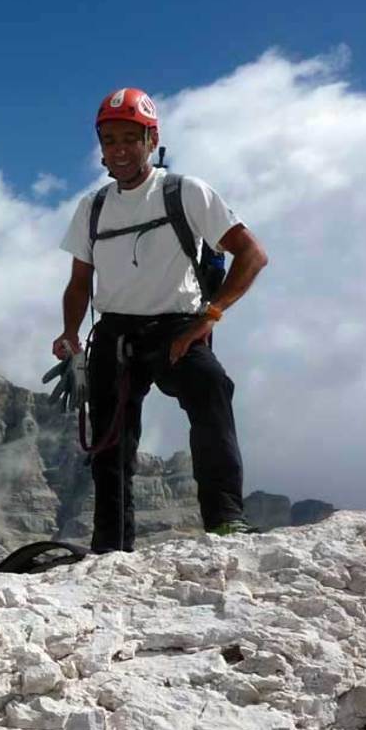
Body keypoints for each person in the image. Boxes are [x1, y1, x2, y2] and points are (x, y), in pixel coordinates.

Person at [54, 88, 269, 553]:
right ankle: (111, 547)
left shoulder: (186, 193)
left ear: (152, 140)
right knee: (111, 447)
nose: (120, 149)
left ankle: (226, 521)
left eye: (131, 138)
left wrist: (211, 315)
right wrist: (70, 336)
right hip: (113, 335)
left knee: (211, 391)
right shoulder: (91, 209)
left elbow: (252, 254)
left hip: (178, 327)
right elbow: (78, 283)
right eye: (110, 140)